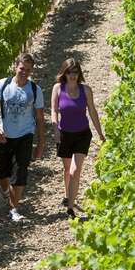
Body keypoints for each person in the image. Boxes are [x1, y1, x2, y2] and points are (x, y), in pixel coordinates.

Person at [0, 53, 45, 222]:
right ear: (16, 67)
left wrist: (41, 142)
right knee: (2, 172)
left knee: (21, 171)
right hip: (4, 135)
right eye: (22, 68)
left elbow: (40, 118)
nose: (24, 72)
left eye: (28, 70)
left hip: (25, 135)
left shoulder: (35, 90)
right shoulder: (3, 84)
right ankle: (6, 192)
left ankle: (14, 209)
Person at [51, 58, 105, 218]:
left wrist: (100, 134)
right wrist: (55, 128)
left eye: (75, 72)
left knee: (75, 171)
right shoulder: (57, 88)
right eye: (69, 72)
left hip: (82, 134)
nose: (72, 76)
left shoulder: (86, 90)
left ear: (79, 74)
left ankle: (70, 207)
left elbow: (93, 112)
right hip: (64, 134)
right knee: (67, 169)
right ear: (64, 73)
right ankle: (68, 196)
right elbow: (53, 110)